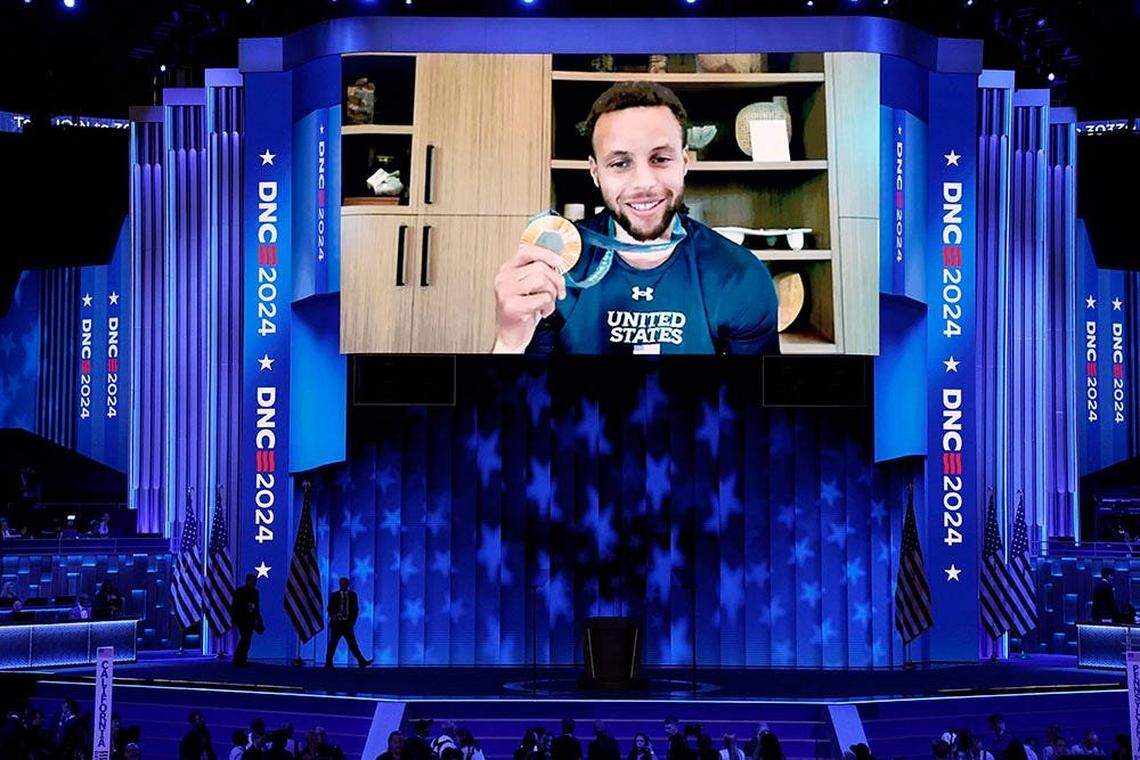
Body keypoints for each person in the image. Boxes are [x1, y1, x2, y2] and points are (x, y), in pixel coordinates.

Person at [493, 80, 780, 357]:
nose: (644, 183)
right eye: (620, 163)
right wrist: (509, 343)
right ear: (595, 172)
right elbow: (522, 401)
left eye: (660, 159)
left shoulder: (740, 275)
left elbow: (759, 402)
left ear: (684, 162)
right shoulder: (554, 270)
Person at [325, 577, 372, 669]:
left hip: (347, 624)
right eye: (342, 583)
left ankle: (362, 662)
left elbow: (355, 609)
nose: (344, 585)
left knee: (353, 644)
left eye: (345, 583)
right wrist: (333, 617)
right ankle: (328, 663)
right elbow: (329, 608)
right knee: (333, 644)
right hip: (337, 624)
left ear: (348, 584)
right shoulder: (334, 595)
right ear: (339, 584)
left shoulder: (353, 595)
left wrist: (353, 621)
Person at [231, 573, 264, 667]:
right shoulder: (240, 592)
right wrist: (234, 619)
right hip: (242, 619)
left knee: (247, 639)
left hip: (251, 619)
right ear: (247, 581)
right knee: (245, 639)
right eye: (252, 581)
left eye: (255, 581)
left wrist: (259, 621)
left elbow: (256, 607)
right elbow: (235, 606)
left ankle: (241, 659)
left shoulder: (255, 592)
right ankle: (238, 659)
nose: (254, 583)